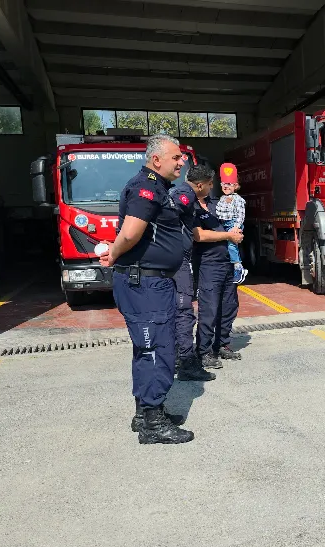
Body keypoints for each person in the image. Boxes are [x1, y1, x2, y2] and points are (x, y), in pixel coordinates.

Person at [99, 134, 193, 445]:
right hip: (146, 284)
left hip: (150, 282)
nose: (182, 162)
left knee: (146, 348)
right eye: (176, 157)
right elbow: (130, 233)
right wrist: (113, 253)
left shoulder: (159, 188)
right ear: (156, 160)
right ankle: (153, 422)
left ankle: (146, 412)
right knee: (158, 349)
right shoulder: (146, 188)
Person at [194, 165, 245, 370]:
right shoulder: (196, 209)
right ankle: (204, 351)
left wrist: (237, 235)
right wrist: (228, 236)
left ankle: (222, 344)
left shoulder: (219, 204)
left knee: (229, 305)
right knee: (209, 309)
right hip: (209, 264)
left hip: (228, 263)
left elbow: (237, 224)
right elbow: (198, 235)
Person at [170, 164, 216, 381]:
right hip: (179, 260)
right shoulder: (184, 196)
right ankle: (187, 362)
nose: (211, 188)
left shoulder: (181, 193)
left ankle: (179, 357)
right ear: (200, 185)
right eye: (209, 185)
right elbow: (166, 215)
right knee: (184, 311)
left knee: (179, 311)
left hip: (176, 258)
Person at [215, 163, 248, 284]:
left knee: (231, 246)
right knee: (224, 248)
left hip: (232, 224)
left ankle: (238, 268)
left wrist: (236, 227)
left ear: (235, 186)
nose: (226, 186)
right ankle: (230, 268)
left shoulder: (238, 199)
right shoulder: (222, 198)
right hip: (223, 225)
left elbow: (240, 214)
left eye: (229, 184)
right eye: (223, 184)